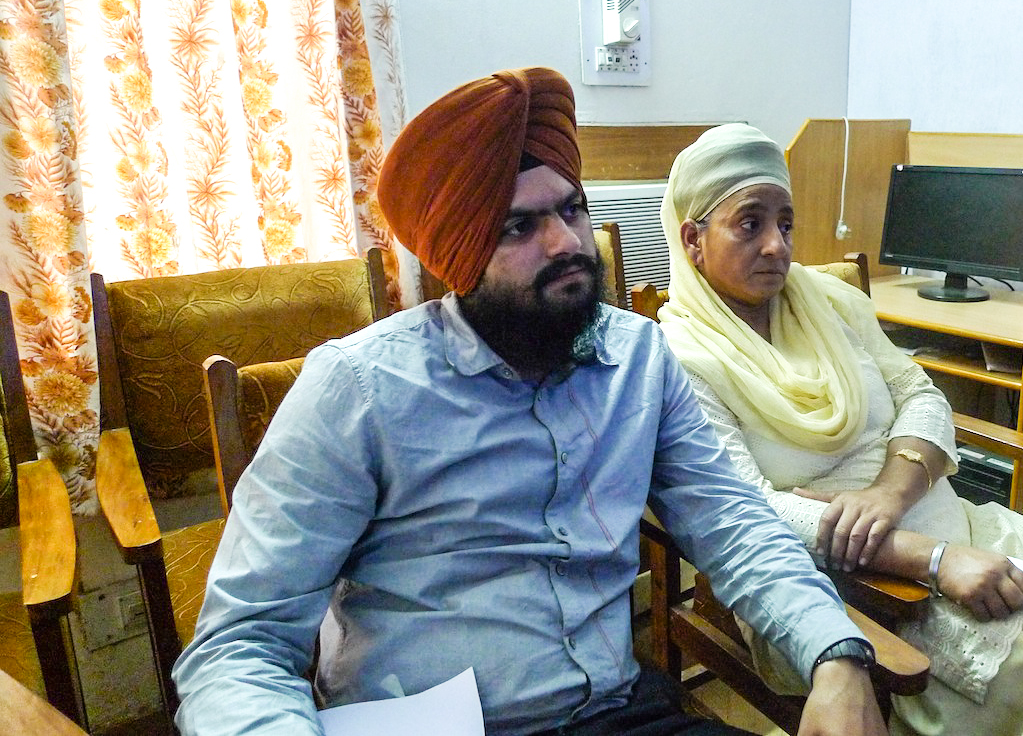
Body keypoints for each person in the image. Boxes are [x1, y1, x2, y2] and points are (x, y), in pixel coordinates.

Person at [171, 70, 889, 736]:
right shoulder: (357, 390)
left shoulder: (639, 360)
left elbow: (733, 523)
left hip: (613, 712)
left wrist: (835, 653)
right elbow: (242, 645)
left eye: (572, 209)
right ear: (459, 256)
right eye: (519, 227)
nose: (567, 243)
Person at [656, 123, 1023, 736]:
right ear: (693, 239)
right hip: (824, 575)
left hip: (940, 513)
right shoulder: (679, 358)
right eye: (750, 224)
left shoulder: (828, 301)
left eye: (786, 222)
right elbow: (745, 510)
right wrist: (933, 559)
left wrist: (890, 493)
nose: (777, 246)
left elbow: (921, 395)